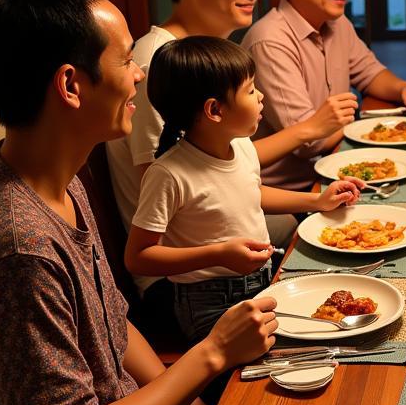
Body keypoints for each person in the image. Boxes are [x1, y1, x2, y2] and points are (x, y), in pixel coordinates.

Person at [0, 0, 406, 405]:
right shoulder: (22, 246)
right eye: (123, 62)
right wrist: (211, 356)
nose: (139, 77)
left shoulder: (58, 182)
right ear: (70, 84)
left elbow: (118, 327)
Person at [106, 0, 356, 309]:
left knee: (342, 240)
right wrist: (310, 129)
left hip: (233, 254)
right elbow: (188, 181)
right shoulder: (160, 65)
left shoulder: (211, 57)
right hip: (186, 284)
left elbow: (230, 174)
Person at [124, 37, 365, 345]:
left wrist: (317, 201)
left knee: (323, 331)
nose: (261, 96)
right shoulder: (168, 175)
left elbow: (250, 193)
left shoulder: (239, 146)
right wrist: (218, 254)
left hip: (260, 284)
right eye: (251, 90)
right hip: (210, 303)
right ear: (214, 109)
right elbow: (139, 257)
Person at [242, 0, 406, 191]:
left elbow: (369, 73)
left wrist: (403, 88)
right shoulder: (270, 40)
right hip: (292, 190)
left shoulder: (336, 20)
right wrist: (360, 123)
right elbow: (308, 141)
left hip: (337, 168)